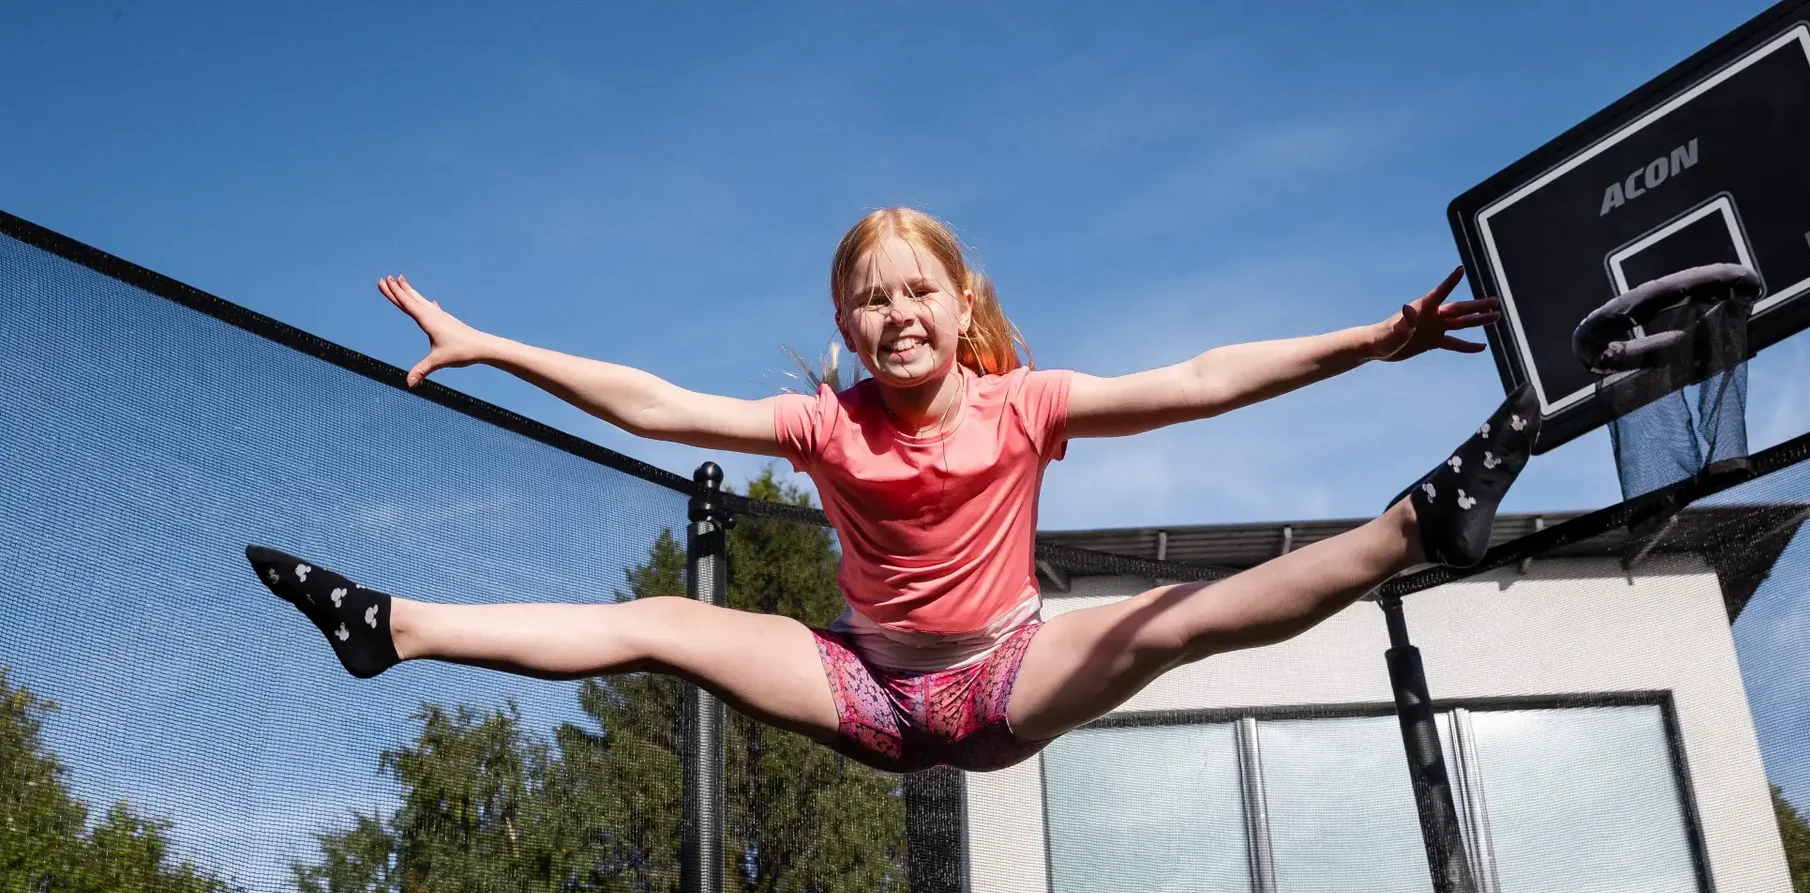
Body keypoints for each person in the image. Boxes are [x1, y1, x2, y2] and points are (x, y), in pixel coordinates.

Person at [248, 207, 1538, 774]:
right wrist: (495, 346)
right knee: (657, 625)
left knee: (1170, 617)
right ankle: (396, 629)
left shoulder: (1026, 404)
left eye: (919, 289)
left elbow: (1201, 378)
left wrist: (1369, 344)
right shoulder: (822, 427)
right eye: (872, 297)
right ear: (847, 324)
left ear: (960, 305)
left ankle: (1416, 527)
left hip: (1000, 670)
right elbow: (654, 402)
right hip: (863, 680)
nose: (897, 311)